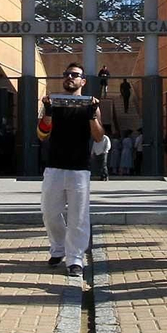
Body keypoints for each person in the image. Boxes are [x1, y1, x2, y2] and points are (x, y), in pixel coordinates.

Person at [38, 64, 105, 276]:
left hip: (79, 168)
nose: (70, 77)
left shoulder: (90, 105)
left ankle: (75, 258)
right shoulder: (53, 103)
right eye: (67, 74)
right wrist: (48, 112)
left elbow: (99, 137)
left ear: (83, 81)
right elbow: (41, 134)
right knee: (49, 212)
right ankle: (58, 247)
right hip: (54, 166)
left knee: (78, 216)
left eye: (75, 75)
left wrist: (92, 115)